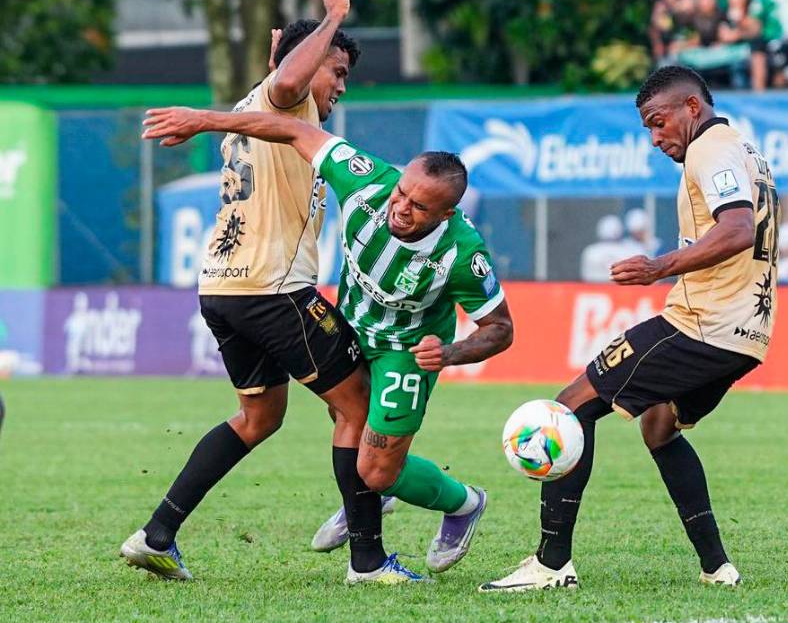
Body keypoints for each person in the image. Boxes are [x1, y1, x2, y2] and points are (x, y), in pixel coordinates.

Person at [121, 0, 425, 586]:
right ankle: (367, 561)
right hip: (274, 289)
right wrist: (333, 14)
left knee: (258, 418)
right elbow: (290, 81)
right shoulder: (289, 101)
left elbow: (281, 75)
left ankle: (156, 534)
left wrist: (291, 46)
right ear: (304, 59)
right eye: (335, 69)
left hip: (224, 287)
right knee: (360, 406)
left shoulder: (250, 103)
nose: (338, 85)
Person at [141, 106, 514, 575]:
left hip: (407, 351)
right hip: (352, 326)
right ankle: (366, 508)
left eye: (420, 207)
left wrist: (450, 353)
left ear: (448, 213)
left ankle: (462, 504)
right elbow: (291, 127)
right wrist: (203, 119)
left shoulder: (463, 254)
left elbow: (501, 329)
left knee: (376, 469)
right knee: (346, 416)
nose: (401, 208)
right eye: (402, 192)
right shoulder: (366, 182)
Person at [479, 65, 779, 592]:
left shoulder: (711, 149)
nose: (655, 137)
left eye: (658, 122)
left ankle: (550, 564)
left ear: (691, 108)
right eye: (647, 128)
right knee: (659, 427)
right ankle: (716, 566)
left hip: (701, 324)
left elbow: (736, 229)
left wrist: (658, 267)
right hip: (745, 335)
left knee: (570, 408)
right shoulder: (745, 150)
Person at [580, 215, 628, 282]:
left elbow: (585, 277)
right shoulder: (626, 252)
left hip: (593, 290)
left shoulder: (590, 251)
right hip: (617, 291)